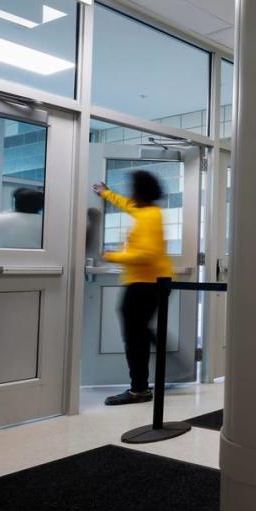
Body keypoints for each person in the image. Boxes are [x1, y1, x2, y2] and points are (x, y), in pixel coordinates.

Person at [93, 171, 173, 406]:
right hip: (153, 282)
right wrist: (106, 193)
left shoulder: (148, 217)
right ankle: (169, 366)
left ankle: (139, 389)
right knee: (141, 331)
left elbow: (146, 254)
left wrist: (110, 256)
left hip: (145, 284)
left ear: (140, 191)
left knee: (134, 337)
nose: (130, 193)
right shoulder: (150, 212)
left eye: (133, 188)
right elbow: (128, 205)